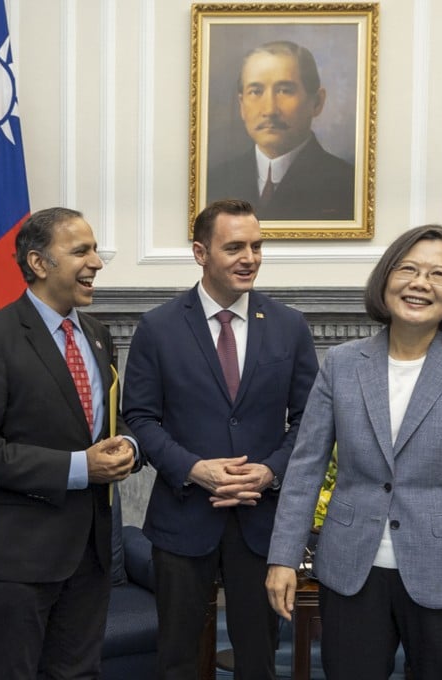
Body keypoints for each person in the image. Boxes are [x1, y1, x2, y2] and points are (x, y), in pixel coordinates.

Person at [266, 225, 442, 679]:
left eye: (439, 274)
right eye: (409, 269)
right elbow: (304, 469)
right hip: (351, 573)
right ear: (386, 278)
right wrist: (283, 556)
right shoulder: (341, 364)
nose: (421, 283)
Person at [122, 199, 319, 679]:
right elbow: (140, 419)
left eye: (256, 246)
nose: (249, 257)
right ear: (200, 252)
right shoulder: (159, 327)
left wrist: (270, 470)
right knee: (178, 658)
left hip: (261, 518)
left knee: (259, 656)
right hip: (184, 515)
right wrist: (194, 468)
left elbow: (313, 422)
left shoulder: (289, 326)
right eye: (234, 247)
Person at [0, 207, 139, 679]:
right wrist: (80, 468)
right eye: (81, 251)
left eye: (95, 249)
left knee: (78, 673)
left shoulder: (98, 337)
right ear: (38, 263)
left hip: (91, 551)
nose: (96, 262)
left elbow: (107, 426)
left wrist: (125, 450)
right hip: (23, 553)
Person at [206, 40, 355, 221]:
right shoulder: (213, 181)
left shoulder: (347, 184)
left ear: (317, 102)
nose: (269, 110)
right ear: (242, 105)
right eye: (255, 91)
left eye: (285, 91)